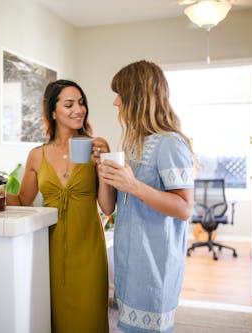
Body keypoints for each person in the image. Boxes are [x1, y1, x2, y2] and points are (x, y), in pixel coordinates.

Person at [6, 79, 116, 332]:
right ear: (52, 112)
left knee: (89, 320)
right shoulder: (37, 155)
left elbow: (108, 207)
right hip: (51, 250)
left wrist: (103, 164)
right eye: (69, 104)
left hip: (89, 247)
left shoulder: (97, 146)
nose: (79, 109)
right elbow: (23, 202)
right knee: (55, 320)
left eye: (81, 103)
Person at [98, 60, 194, 333]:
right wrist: (102, 169)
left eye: (121, 94)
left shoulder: (170, 143)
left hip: (156, 266)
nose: (116, 102)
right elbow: (109, 207)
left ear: (137, 97)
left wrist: (133, 185)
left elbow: (185, 208)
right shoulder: (133, 144)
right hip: (130, 263)